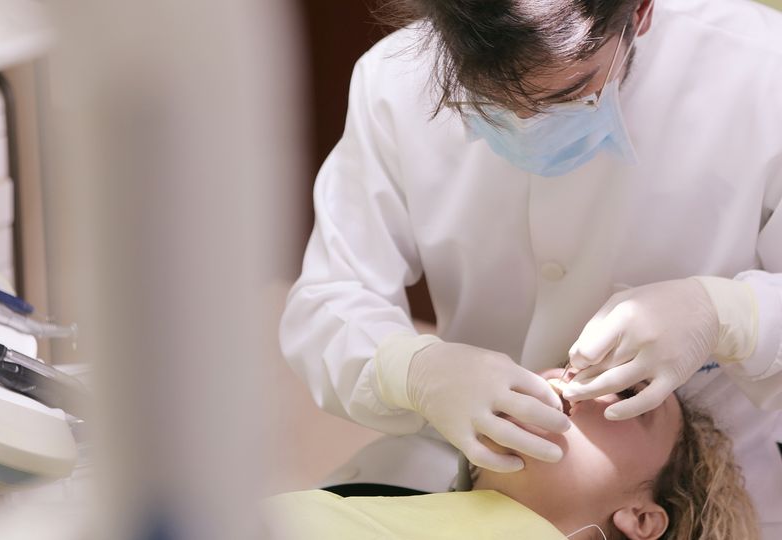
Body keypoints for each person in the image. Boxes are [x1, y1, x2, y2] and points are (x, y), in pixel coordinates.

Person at [279, 0, 782, 533]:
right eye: (488, 100)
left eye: (569, 93)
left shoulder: (761, 69)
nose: (526, 123)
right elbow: (329, 301)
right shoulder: (395, 80)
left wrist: (732, 315)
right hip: (448, 460)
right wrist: (415, 372)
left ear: (640, 11)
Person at [264, 371, 760, 539]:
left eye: (627, 393)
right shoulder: (370, 500)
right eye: (572, 362)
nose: (573, 380)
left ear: (643, 519)